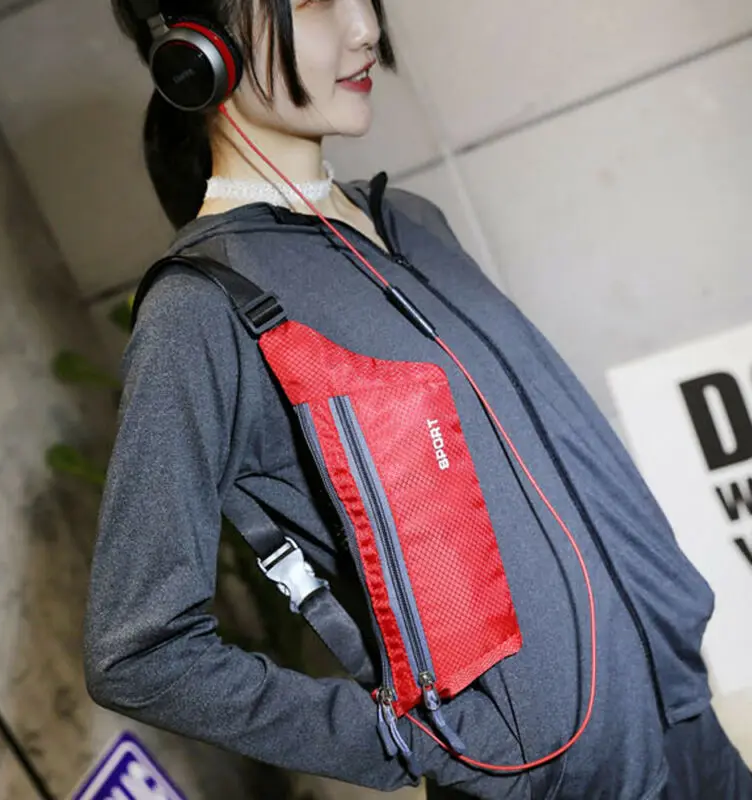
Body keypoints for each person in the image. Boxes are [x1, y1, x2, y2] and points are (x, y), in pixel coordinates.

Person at [83, 1, 752, 798]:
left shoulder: (411, 220)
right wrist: (421, 743)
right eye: (314, 2)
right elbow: (139, 652)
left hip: (687, 726)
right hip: (562, 785)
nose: (365, 28)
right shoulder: (202, 311)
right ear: (199, 49)